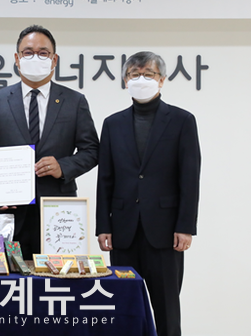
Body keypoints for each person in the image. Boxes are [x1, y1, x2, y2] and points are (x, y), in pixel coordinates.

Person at [95, 51, 201, 336]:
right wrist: (103, 226)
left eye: (148, 74)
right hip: (123, 231)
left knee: (166, 308)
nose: (141, 79)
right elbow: (105, 179)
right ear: (125, 80)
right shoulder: (112, 124)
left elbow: (190, 178)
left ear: (162, 80)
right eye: (134, 74)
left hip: (166, 232)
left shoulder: (182, 120)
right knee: (123, 306)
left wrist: (185, 226)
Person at [0, 25, 99, 258]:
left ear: (54, 60)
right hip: (8, 213)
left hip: (58, 212)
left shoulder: (74, 101)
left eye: (43, 53)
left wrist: (63, 167)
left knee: (59, 275)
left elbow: (91, 150)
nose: (35, 58)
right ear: (17, 59)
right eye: (28, 52)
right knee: (8, 276)